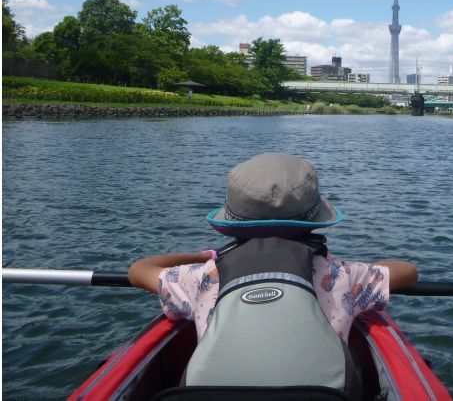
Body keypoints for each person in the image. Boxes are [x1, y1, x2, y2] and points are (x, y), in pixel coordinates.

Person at [128, 152, 418, 394]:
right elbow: (408, 272)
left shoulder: (204, 277)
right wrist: (353, 267)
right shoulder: (341, 276)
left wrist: (209, 257)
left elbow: (138, 271)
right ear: (313, 221)